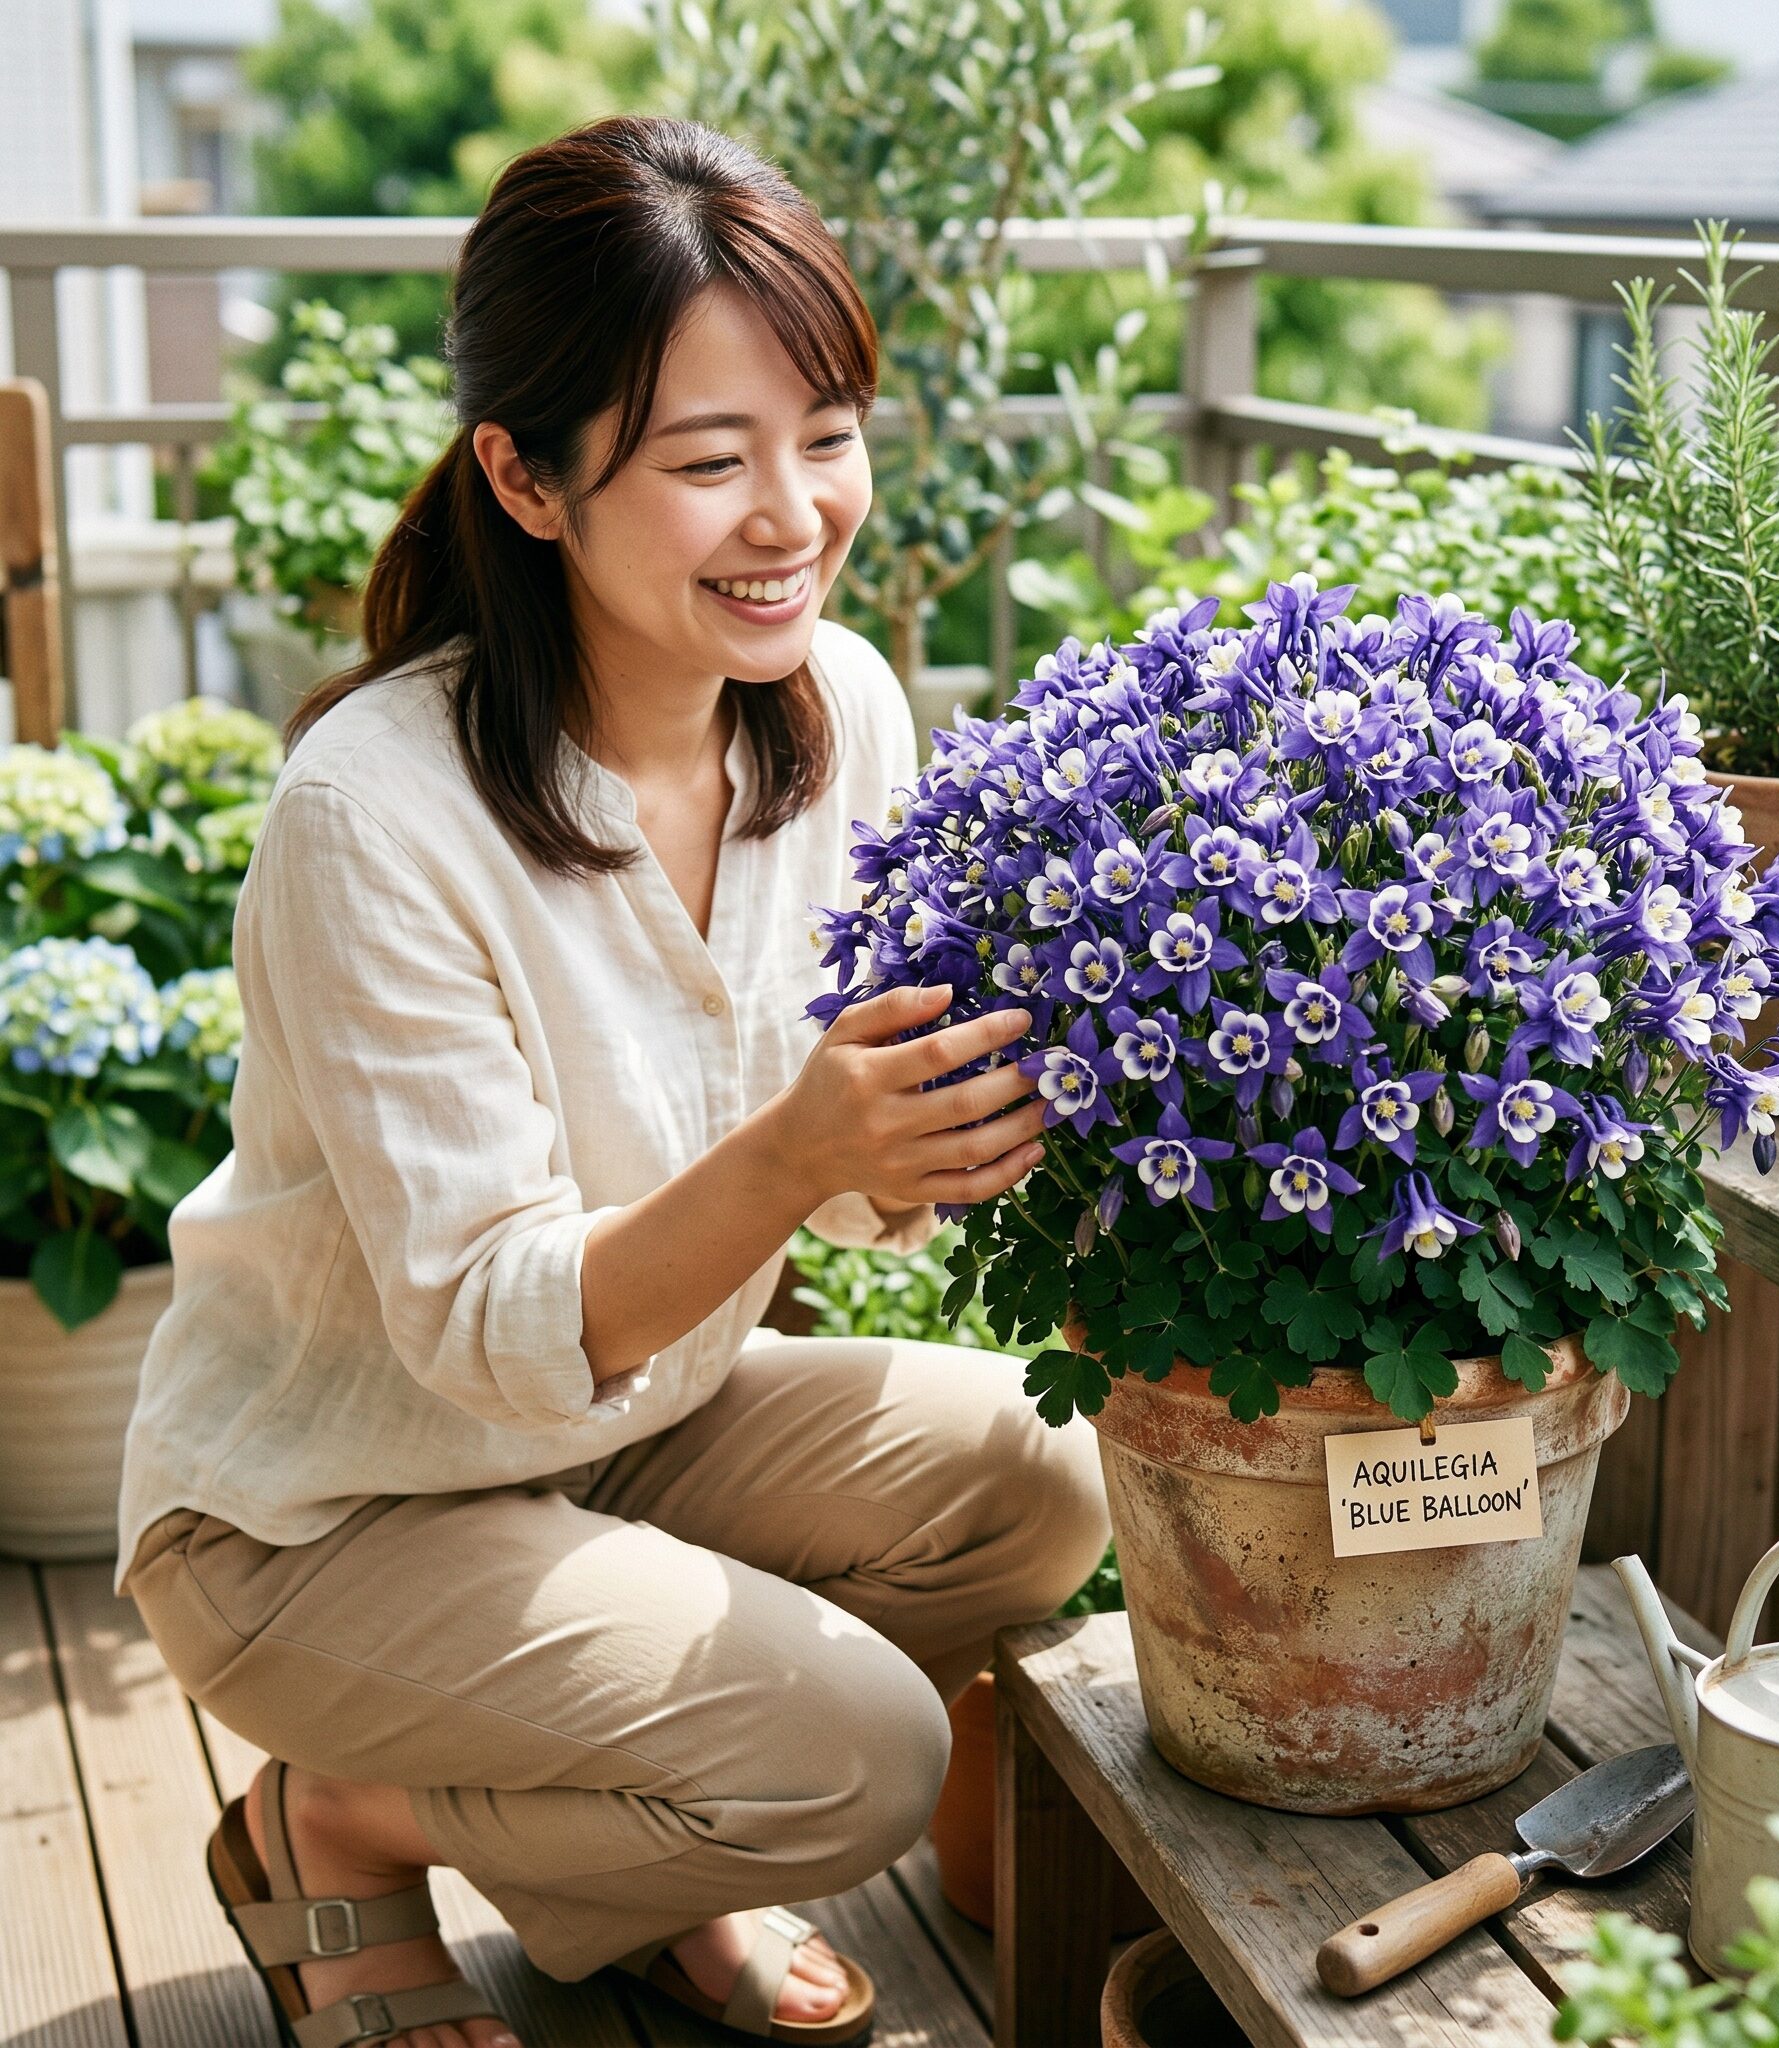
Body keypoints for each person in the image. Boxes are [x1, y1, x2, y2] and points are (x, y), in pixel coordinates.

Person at [116, 114, 1111, 2048]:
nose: (794, 514)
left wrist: (938, 1142)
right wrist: (806, 1141)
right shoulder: (373, 816)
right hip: (324, 1515)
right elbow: (491, 1330)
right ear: (527, 474)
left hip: (621, 1434)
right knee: (860, 1760)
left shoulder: (842, 716)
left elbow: (848, 1185)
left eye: (825, 436)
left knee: (1042, 1483)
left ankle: (628, 1864)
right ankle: (345, 1816)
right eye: (709, 460)